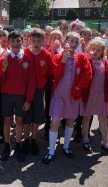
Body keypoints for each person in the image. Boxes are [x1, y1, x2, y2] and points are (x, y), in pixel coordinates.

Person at [42, 32, 92, 164]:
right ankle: (51, 151)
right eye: (72, 41)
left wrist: (77, 88)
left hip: (73, 95)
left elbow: (87, 75)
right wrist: (63, 61)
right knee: (55, 122)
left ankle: (66, 147)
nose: (74, 44)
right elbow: (56, 76)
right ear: (66, 41)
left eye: (76, 42)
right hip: (59, 94)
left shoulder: (82, 57)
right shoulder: (58, 56)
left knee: (70, 121)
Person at [0, 31, 35, 162]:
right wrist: (3, 70)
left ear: (22, 42)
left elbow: (31, 82)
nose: (15, 43)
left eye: (18, 41)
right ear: (8, 42)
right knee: (7, 121)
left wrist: (28, 99)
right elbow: (0, 80)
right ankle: (7, 146)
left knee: (19, 121)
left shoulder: (27, 59)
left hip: (21, 96)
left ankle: (18, 146)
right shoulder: (4, 58)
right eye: (12, 41)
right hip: (7, 95)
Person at [23, 28, 53, 156]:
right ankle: (25, 140)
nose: (35, 43)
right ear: (29, 40)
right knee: (26, 117)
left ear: (43, 41)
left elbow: (49, 73)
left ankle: (34, 140)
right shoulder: (24, 53)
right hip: (24, 92)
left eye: (38, 40)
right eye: (33, 40)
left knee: (36, 118)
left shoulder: (47, 55)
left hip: (39, 91)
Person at [81, 39, 108, 153]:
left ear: (102, 51)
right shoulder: (86, 60)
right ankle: (86, 139)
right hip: (89, 95)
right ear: (89, 49)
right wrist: (89, 58)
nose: (95, 52)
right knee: (87, 118)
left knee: (103, 118)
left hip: (101, 96)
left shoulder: (105, 62)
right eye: (93, 49)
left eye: (98, 50)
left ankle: (105, 142)